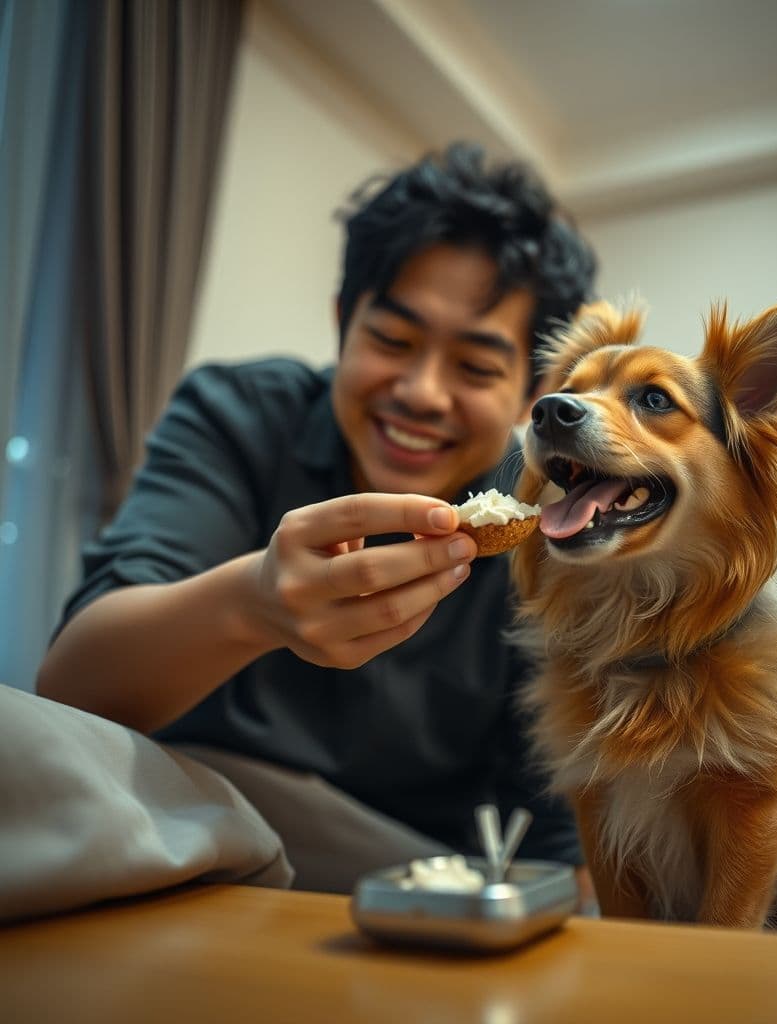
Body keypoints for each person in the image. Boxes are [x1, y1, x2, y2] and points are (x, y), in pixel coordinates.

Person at [36, 142, 598, 895]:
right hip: (187, 852)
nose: (422, 392)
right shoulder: (238, 417)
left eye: (474, 367)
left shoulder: (547, 519)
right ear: (342, 320)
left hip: (415, 891)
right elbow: (71, 689)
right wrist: (250, 604)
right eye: (392, 340)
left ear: (532, 386)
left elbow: (556, 824)